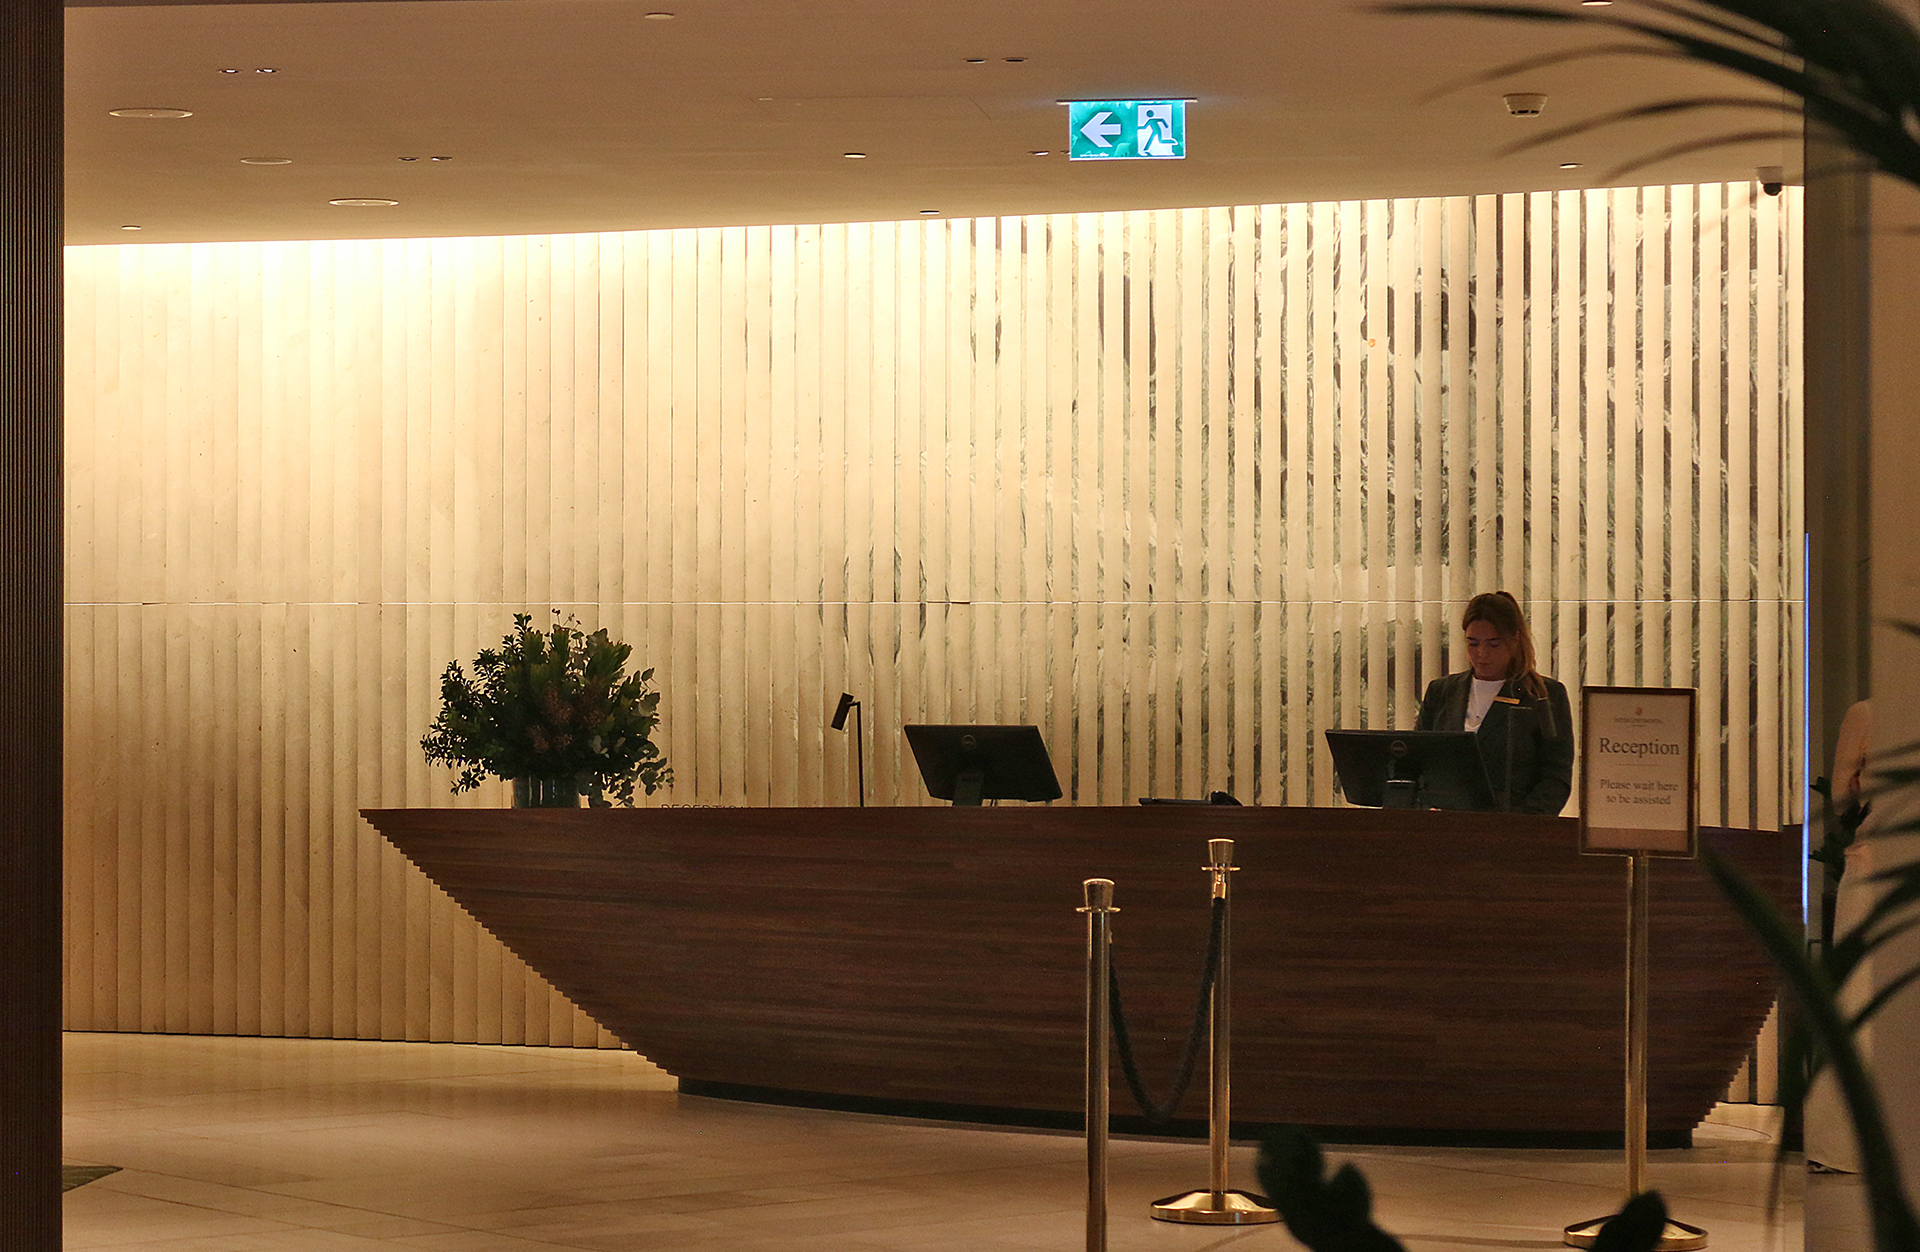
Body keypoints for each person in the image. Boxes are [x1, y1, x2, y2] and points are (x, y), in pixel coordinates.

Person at [1415, 591, 1574, 815]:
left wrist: (1520, 824)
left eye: (1493, 644)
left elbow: (1555, 778)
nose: (1482, 654)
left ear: (1515, 640)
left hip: (1514, 832)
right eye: (1473, 643)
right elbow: (1418, 763)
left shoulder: (1543, 696)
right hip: (1447, 828)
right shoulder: (1442, 692)